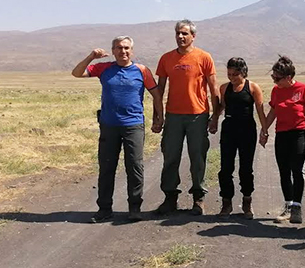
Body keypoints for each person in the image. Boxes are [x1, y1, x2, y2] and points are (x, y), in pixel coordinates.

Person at [72, 36, 163, 223]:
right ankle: (104, 209)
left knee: (135, 167)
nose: (123, 51)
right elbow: (76, 73)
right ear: (113, 50)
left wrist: (158, 117)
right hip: (109, 126)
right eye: (119, 48)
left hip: (133, 125)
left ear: (132, 50)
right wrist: (91, 56)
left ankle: (135, 207)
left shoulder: (142, 70)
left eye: (126, 48)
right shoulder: (104, 68)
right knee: (107, 168)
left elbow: (156, 94)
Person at [154, 20, 219, 216]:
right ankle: (170, 198)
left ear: (193, 36)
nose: (180, 37)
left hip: (197, 116)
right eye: (178, 33)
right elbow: (159, 90)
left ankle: (198, 198)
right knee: (170, 156)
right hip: (173, 115)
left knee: (197, 158)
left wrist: (215, 116)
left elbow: (213, 88)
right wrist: (157, 117)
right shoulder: (166, 58)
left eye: (184, 33)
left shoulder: (204, 57)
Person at [260, 56, 305, 224]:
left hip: (300, 134)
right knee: (284, 171)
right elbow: (273, 112)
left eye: (277, 78)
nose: (274, 81)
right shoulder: (276, 91)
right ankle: (288, 206)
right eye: (273, 77)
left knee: (297, 170)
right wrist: (264, 130)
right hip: (282, 135)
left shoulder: (303, 89)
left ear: (289, 77)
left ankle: (297, 209)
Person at [210, 57, 267, 219]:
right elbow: (220, 107)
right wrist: (213, 120)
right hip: (229, 129)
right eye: (229, 74)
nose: (232, 78)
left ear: (243, 72)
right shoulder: (224, 88)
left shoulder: (253, 87)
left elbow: (260, 111)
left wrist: (264, 130)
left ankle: (247, 200)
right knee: (226, 167)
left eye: (235, 74)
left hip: (247, 130)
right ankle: (226, 202)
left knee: (246, 168)